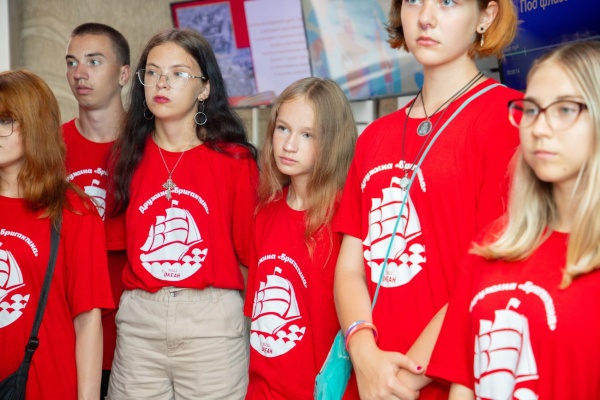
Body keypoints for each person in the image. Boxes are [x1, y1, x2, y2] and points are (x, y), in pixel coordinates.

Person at [333, 0, 520, 398]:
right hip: (368, 379)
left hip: (447, 382)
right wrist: (364, 354)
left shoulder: (509, 117)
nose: (425, 17)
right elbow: (350, 265)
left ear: (486, 16)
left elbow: (493, 271)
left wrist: (400, 383)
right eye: (414, 0)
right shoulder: (375, 136)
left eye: (448, 2)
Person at [427, 40, 600, 400]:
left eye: (565, 109)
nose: (539, 128)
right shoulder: (490, 247)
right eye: (532, 110)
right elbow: (464, 384)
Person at [106, 28, 258, 400]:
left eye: (178, 73)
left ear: (204, 88)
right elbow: (119, 252)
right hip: (140, 322)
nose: (162, 82)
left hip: (211, 323)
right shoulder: (126, 156)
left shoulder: (235, 160)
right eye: (153, 72)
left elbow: (249, 258)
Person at [0, 70, 113, 398]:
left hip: (47, 385)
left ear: (35, 125)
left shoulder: (74, 210)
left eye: (5, 120)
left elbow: (88, 321)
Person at [244, 77, 357, 399]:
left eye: (307, 135)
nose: (289, 145)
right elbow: (259, 317)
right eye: (283, 129)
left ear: (332, 141)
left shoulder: (346, 216)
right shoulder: (265, 212)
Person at [63, 22, 131, 398]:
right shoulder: (50, 148)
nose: (80, 73)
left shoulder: (150, 146)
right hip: (71, 332)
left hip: (139, 336)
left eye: (93, 61)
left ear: (123, 74)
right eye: (72, 62)